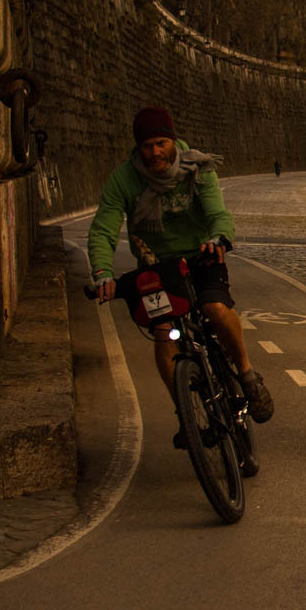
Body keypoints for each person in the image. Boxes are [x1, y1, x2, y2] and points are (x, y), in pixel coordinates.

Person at [88, 107, 274, 447]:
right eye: (147, 146)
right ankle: (186, 414)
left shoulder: (197, 169)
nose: (155, 152)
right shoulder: (124, 180)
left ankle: (247, 375)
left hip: (202, 256)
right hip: (156, 266)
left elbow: (217, 212)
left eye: (161, 143)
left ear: (173, 141)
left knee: (216, 310)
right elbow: (103, 229)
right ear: (138, 149)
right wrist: (103, 273)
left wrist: (218, 238)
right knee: (163, 334)